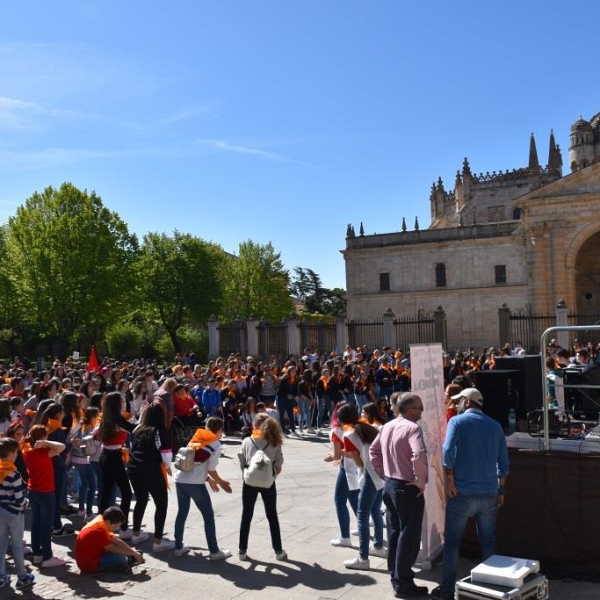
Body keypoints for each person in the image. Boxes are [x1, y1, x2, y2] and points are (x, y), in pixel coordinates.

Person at [430, 388, 509, 600]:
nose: (455, 405)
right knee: (488, 542)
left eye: (458, 401)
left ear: (466, 402)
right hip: (489, 492)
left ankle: (447, 590)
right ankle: (489, 590)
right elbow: (504, 462)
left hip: (462, 492)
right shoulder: (495, 425)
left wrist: (449, 478)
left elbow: (448, 451)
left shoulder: (457, 422)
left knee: (453, 543)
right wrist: (500, 489)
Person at [369, 392, 428, 598]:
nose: (422, 411)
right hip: (405, 486)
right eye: (420, 408)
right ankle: (403, 582)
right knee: (407, 535)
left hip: (391, 485)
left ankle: (397, 576)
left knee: (395, 532)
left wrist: (383, 472)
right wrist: (420, 481)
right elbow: (418, 454)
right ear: (410, 410)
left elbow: (373, 451)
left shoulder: (387, 426)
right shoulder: (412, 428)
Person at [336, 403, 386, 571]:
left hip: (369, 475)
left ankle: (363, 557)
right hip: (381, 474)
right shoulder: (368, 428)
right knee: (376, 510)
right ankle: (378, 546)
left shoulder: (349, 434)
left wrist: (348, 454)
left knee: (362, 516)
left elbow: (358, 463)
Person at [173, 417, 232, 560]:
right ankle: (214, 551)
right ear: (219, 430)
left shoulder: (196, 437)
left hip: (180, 480)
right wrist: (221, 482)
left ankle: (178, 547)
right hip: (195, 484)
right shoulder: (215, 443)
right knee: (208, 516)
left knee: (182, 513)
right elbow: (211, 469)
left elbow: (190, 462)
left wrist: (209, 480)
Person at [237, 414, 287, 561]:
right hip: (268, 482)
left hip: (249, 482)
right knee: (272, 516)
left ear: (254, 425)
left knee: (246, 515)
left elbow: (242, 460)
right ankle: (278, 550)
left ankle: (242, 550)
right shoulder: (274, 441)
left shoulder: (247, 440)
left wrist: (246, 474)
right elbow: (279, 464)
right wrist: (272, 476)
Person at [127, 403, 173, 551]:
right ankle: (158, 541)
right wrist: (167, 467)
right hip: (151, 469)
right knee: (161, 504)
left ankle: (136, 533)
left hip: (134, 468)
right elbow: (166, 455)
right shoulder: (159, 431)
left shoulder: (137, 429)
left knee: (141, 500)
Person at [22, 425, 67, 568]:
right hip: (46, 491)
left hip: (33, 490)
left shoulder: (27, 451)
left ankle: (37, 554)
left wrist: (43, 442)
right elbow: (61, 447)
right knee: (46, 525)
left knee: (36, 523)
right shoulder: (43, 451)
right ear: (42, 437)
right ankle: (47, 556)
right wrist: (46, 443)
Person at [97, 392, 135, 539]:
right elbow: (133, 429)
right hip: (113, 458)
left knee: (106, 493)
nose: (125, 403)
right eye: (123, 401)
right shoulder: (116, 418)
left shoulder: (107, 416)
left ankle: (101, 525)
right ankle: (123, 527)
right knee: (126, 493)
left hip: (106, 456)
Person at [0, 437, 35, 589]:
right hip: (14, 514)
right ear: (12, 454)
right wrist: (26, 503)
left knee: (1, 544)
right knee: (17, 545)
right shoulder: (13, 475)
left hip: (0, 512)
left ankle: (1, 576)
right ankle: (22, 577)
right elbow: (19, 499)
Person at [75, 506, 144, 574]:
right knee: (122, 559)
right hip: (89, 564)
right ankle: (123, 561)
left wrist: (132, 552)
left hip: (96, 556)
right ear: (108, 522)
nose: (116, 529)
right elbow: (113, 549)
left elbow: (116, 540)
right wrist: (133, 553)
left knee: (121, 552)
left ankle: (129, 557)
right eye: (115, 526)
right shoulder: (98, 530)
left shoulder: (101, 522)